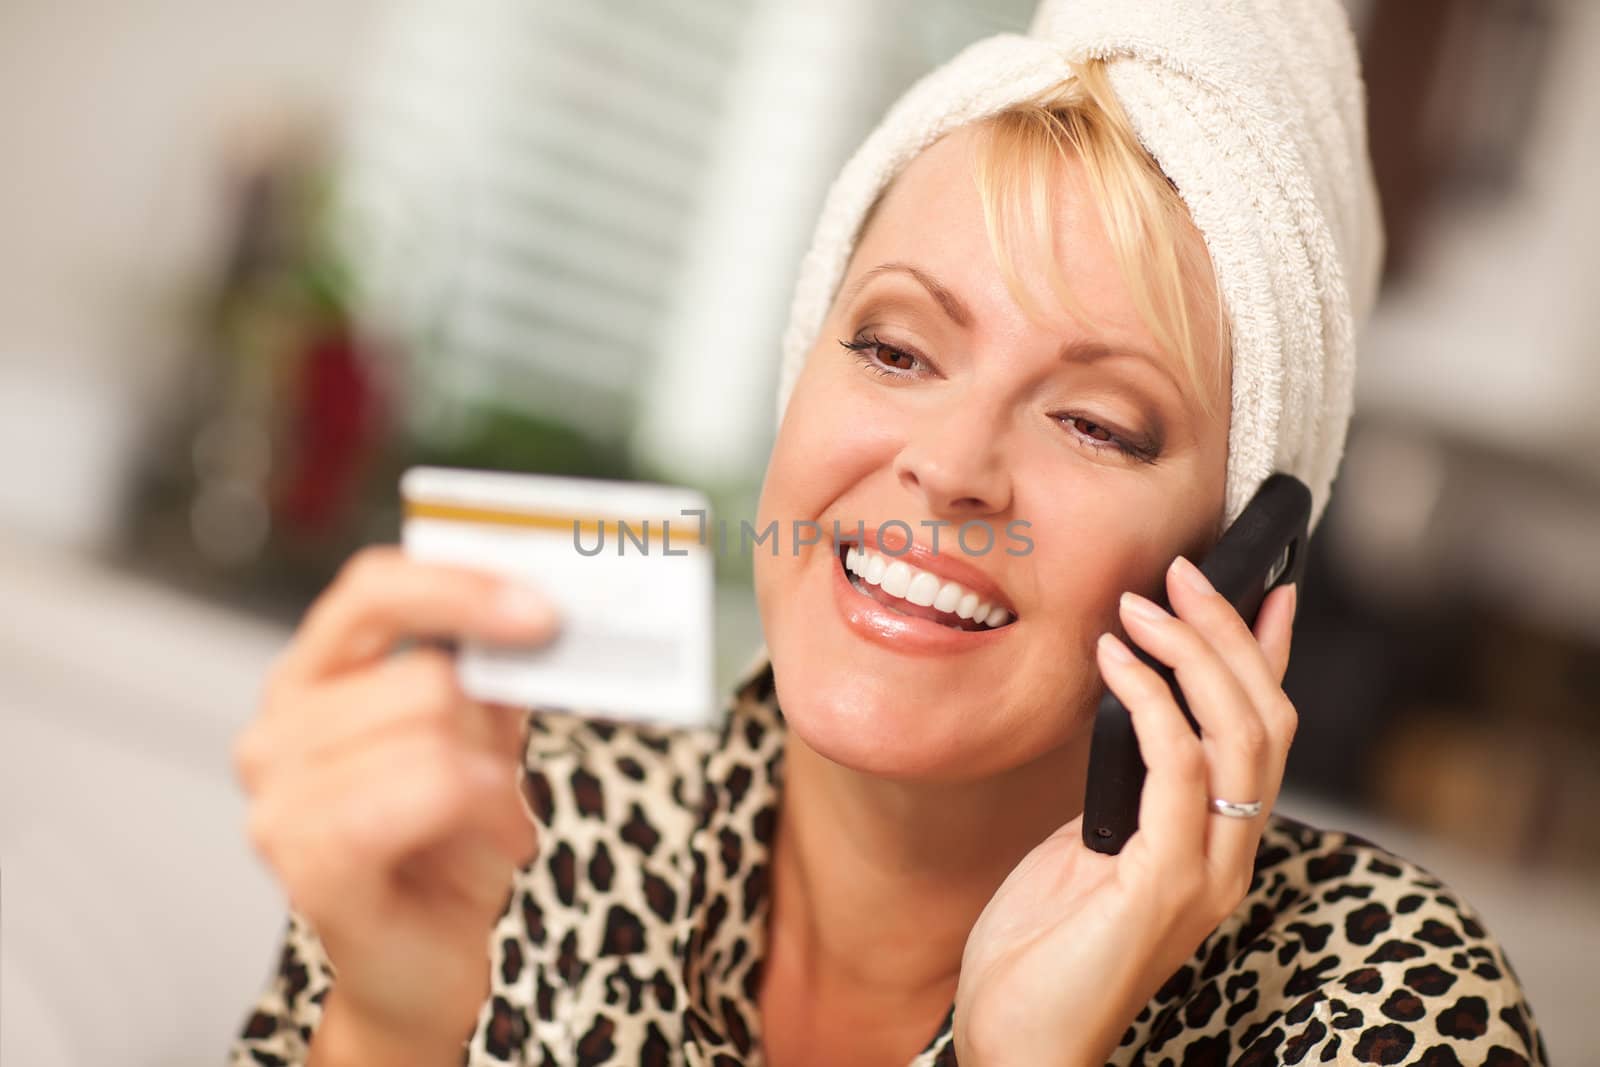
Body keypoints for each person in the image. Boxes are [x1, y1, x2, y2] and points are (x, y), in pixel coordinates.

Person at [227, 2, 1548, 1064]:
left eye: (1094, 422)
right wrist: (393, 1031)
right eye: (895, 348)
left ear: (1240, 559)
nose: (948, 468)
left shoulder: (1385, 1009)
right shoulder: (514, 812)